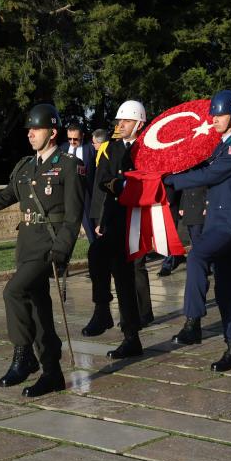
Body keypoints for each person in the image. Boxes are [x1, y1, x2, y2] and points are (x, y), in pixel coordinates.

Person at [0, 104, 82, 397]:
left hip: (49, 245)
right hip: (26, 243)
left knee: (12, 291)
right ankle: (53, 373)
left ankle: (23, 355)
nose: (30, 134)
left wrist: (63, 249)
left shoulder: (68, 165)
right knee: (38, 309)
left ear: (52, 133)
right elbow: (5, 196)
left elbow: (74, 215)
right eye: (28, 129)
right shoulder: (25, 166)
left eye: (35, 129)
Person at [166, 90, 231, 372]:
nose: (215, 119)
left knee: (196, 257)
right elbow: (202, 167)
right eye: (213, 115)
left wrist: (172, 180)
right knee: (226, 287)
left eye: (220, 115)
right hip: (218, 222)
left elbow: (210, 175)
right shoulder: (219, 147)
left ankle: (193, 322)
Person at [85, 100, 151, 358]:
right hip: (115, 218)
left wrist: (124, 185)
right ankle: (103, 310)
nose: (119, 125)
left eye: (125, 121)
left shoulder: (147, 149)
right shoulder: (111, 149)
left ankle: (130, 334)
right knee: (97, 255)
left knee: (126, 277)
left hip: (136, 218)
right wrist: (100, 219)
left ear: (139, 124)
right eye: (119, 121)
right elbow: (101, 181)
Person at [60, 124, 97, 245]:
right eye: (69, 138)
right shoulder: (62, 149)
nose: (72, 142)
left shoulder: (90, 149)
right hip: (66, 195)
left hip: (86, 194)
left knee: (91, 229)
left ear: (82, 136)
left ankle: (97, 253)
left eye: (75, 139)